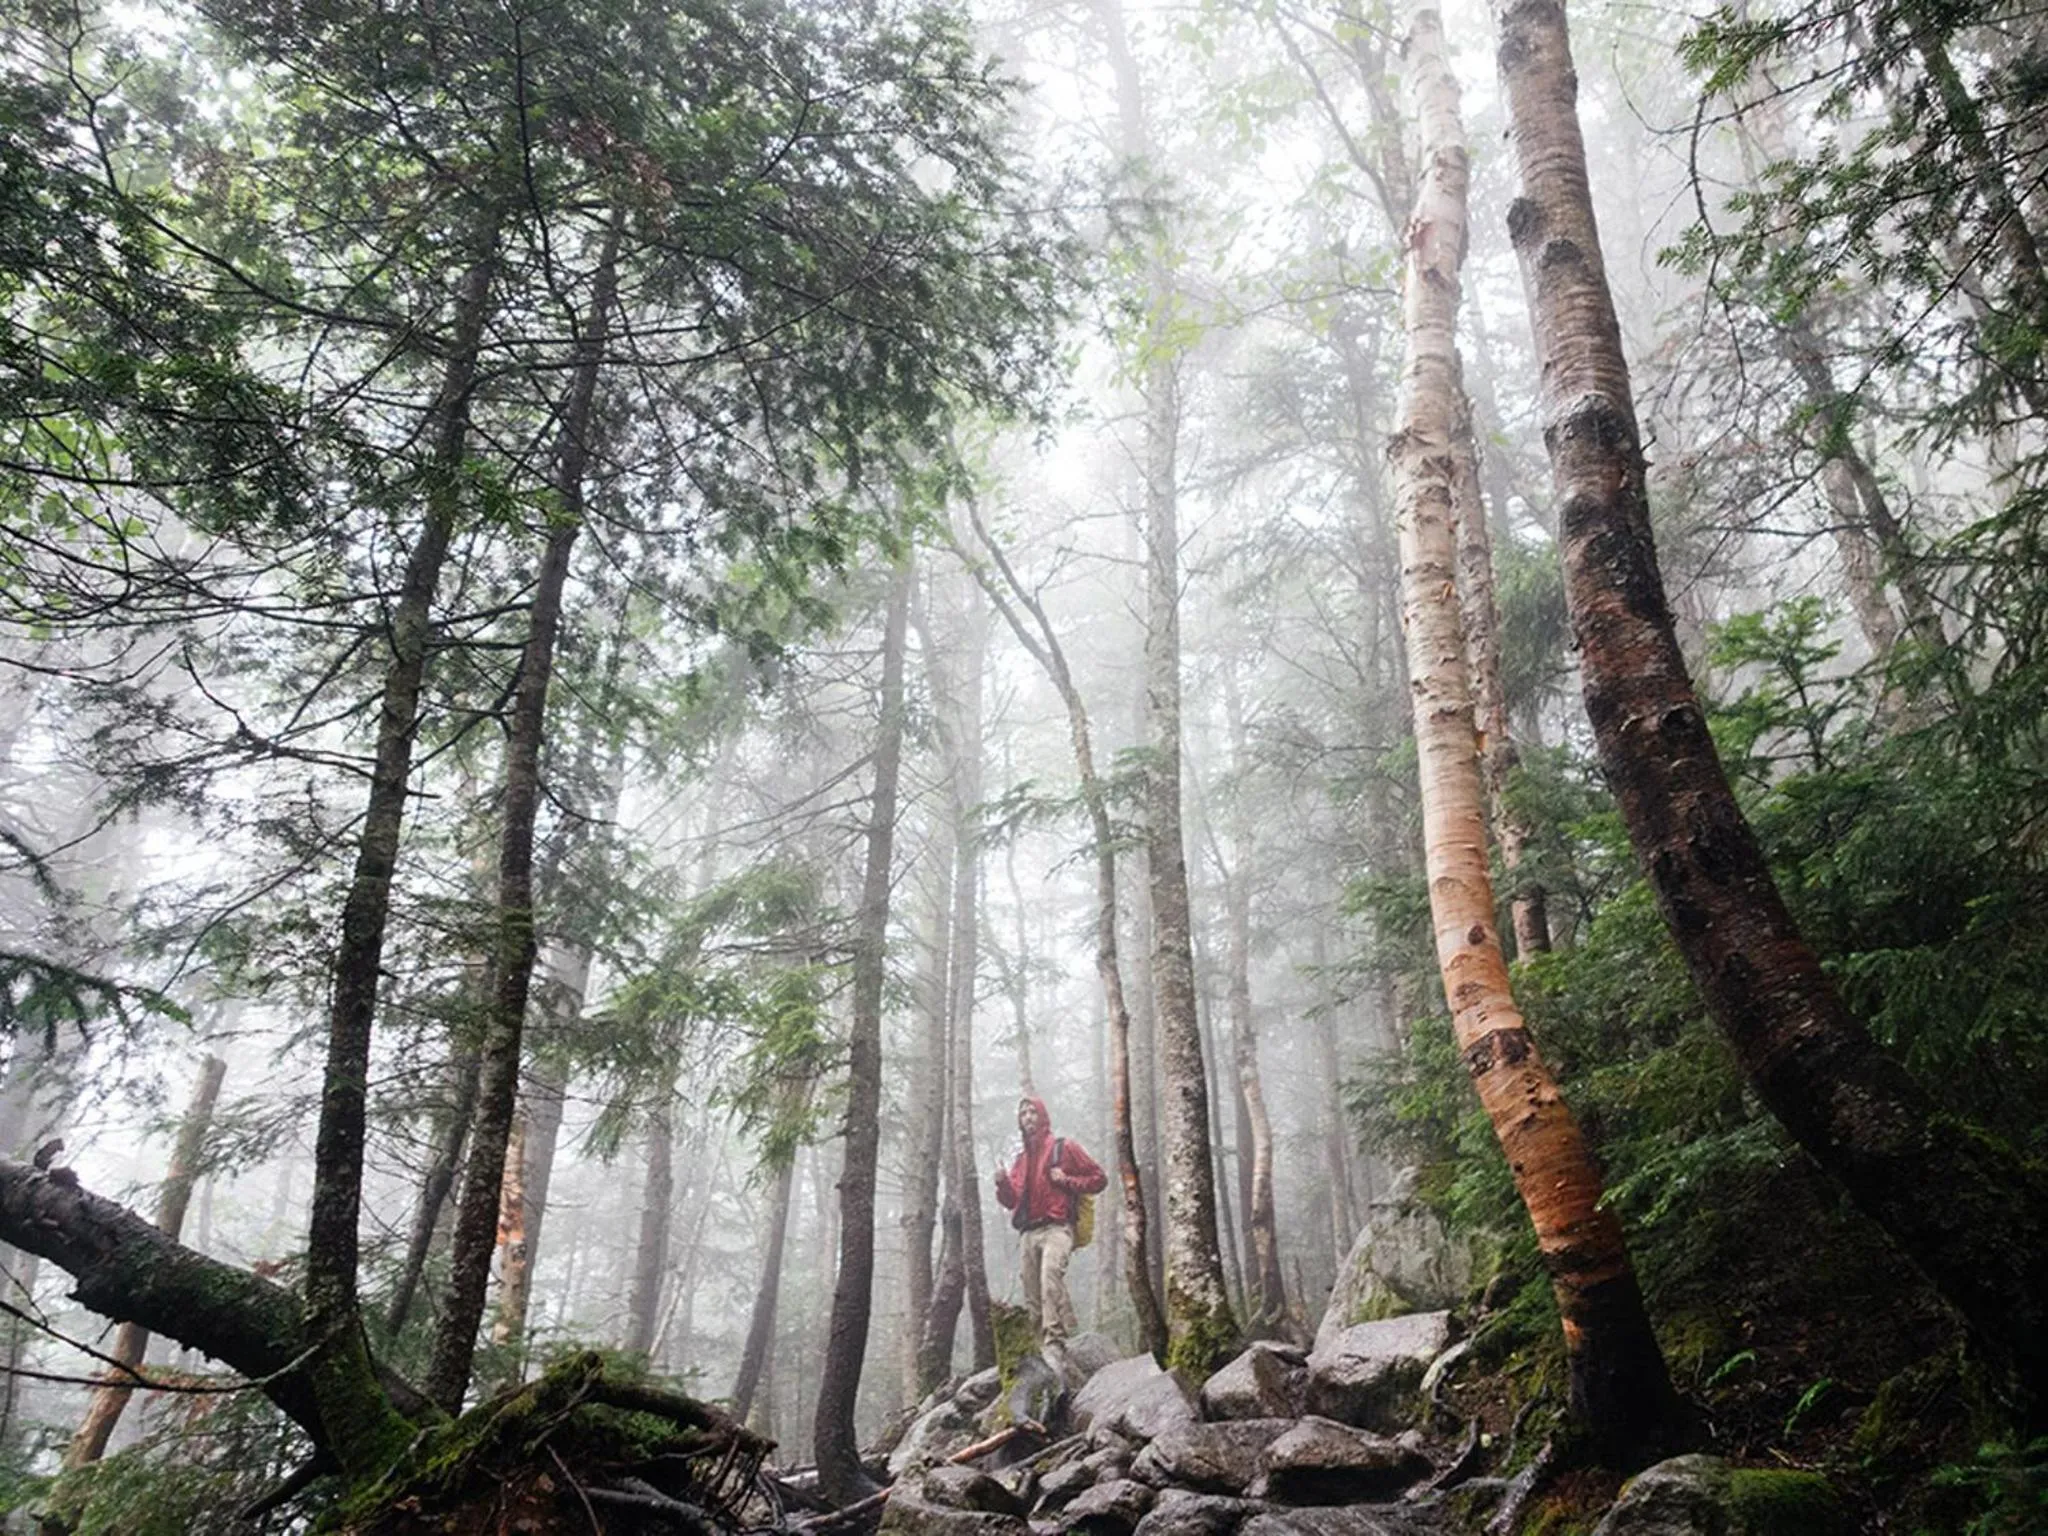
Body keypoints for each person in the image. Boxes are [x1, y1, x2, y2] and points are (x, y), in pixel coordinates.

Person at [993, 1094, 1107, 1348]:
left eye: (1032, 1112)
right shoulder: (1020, 1161)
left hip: (1057, 1227)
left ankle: (1055, 1339)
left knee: (1050, 1277)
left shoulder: (1063, 1147)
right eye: (1023, 1114)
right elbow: (1011, 1201)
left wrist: (1066, 1180)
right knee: (1032, 1292)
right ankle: (1042, 1345)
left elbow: (1099, 1178)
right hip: (1028, 1232)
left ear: (1043, 1116)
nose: (1028, 1118)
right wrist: (1001, 1183)